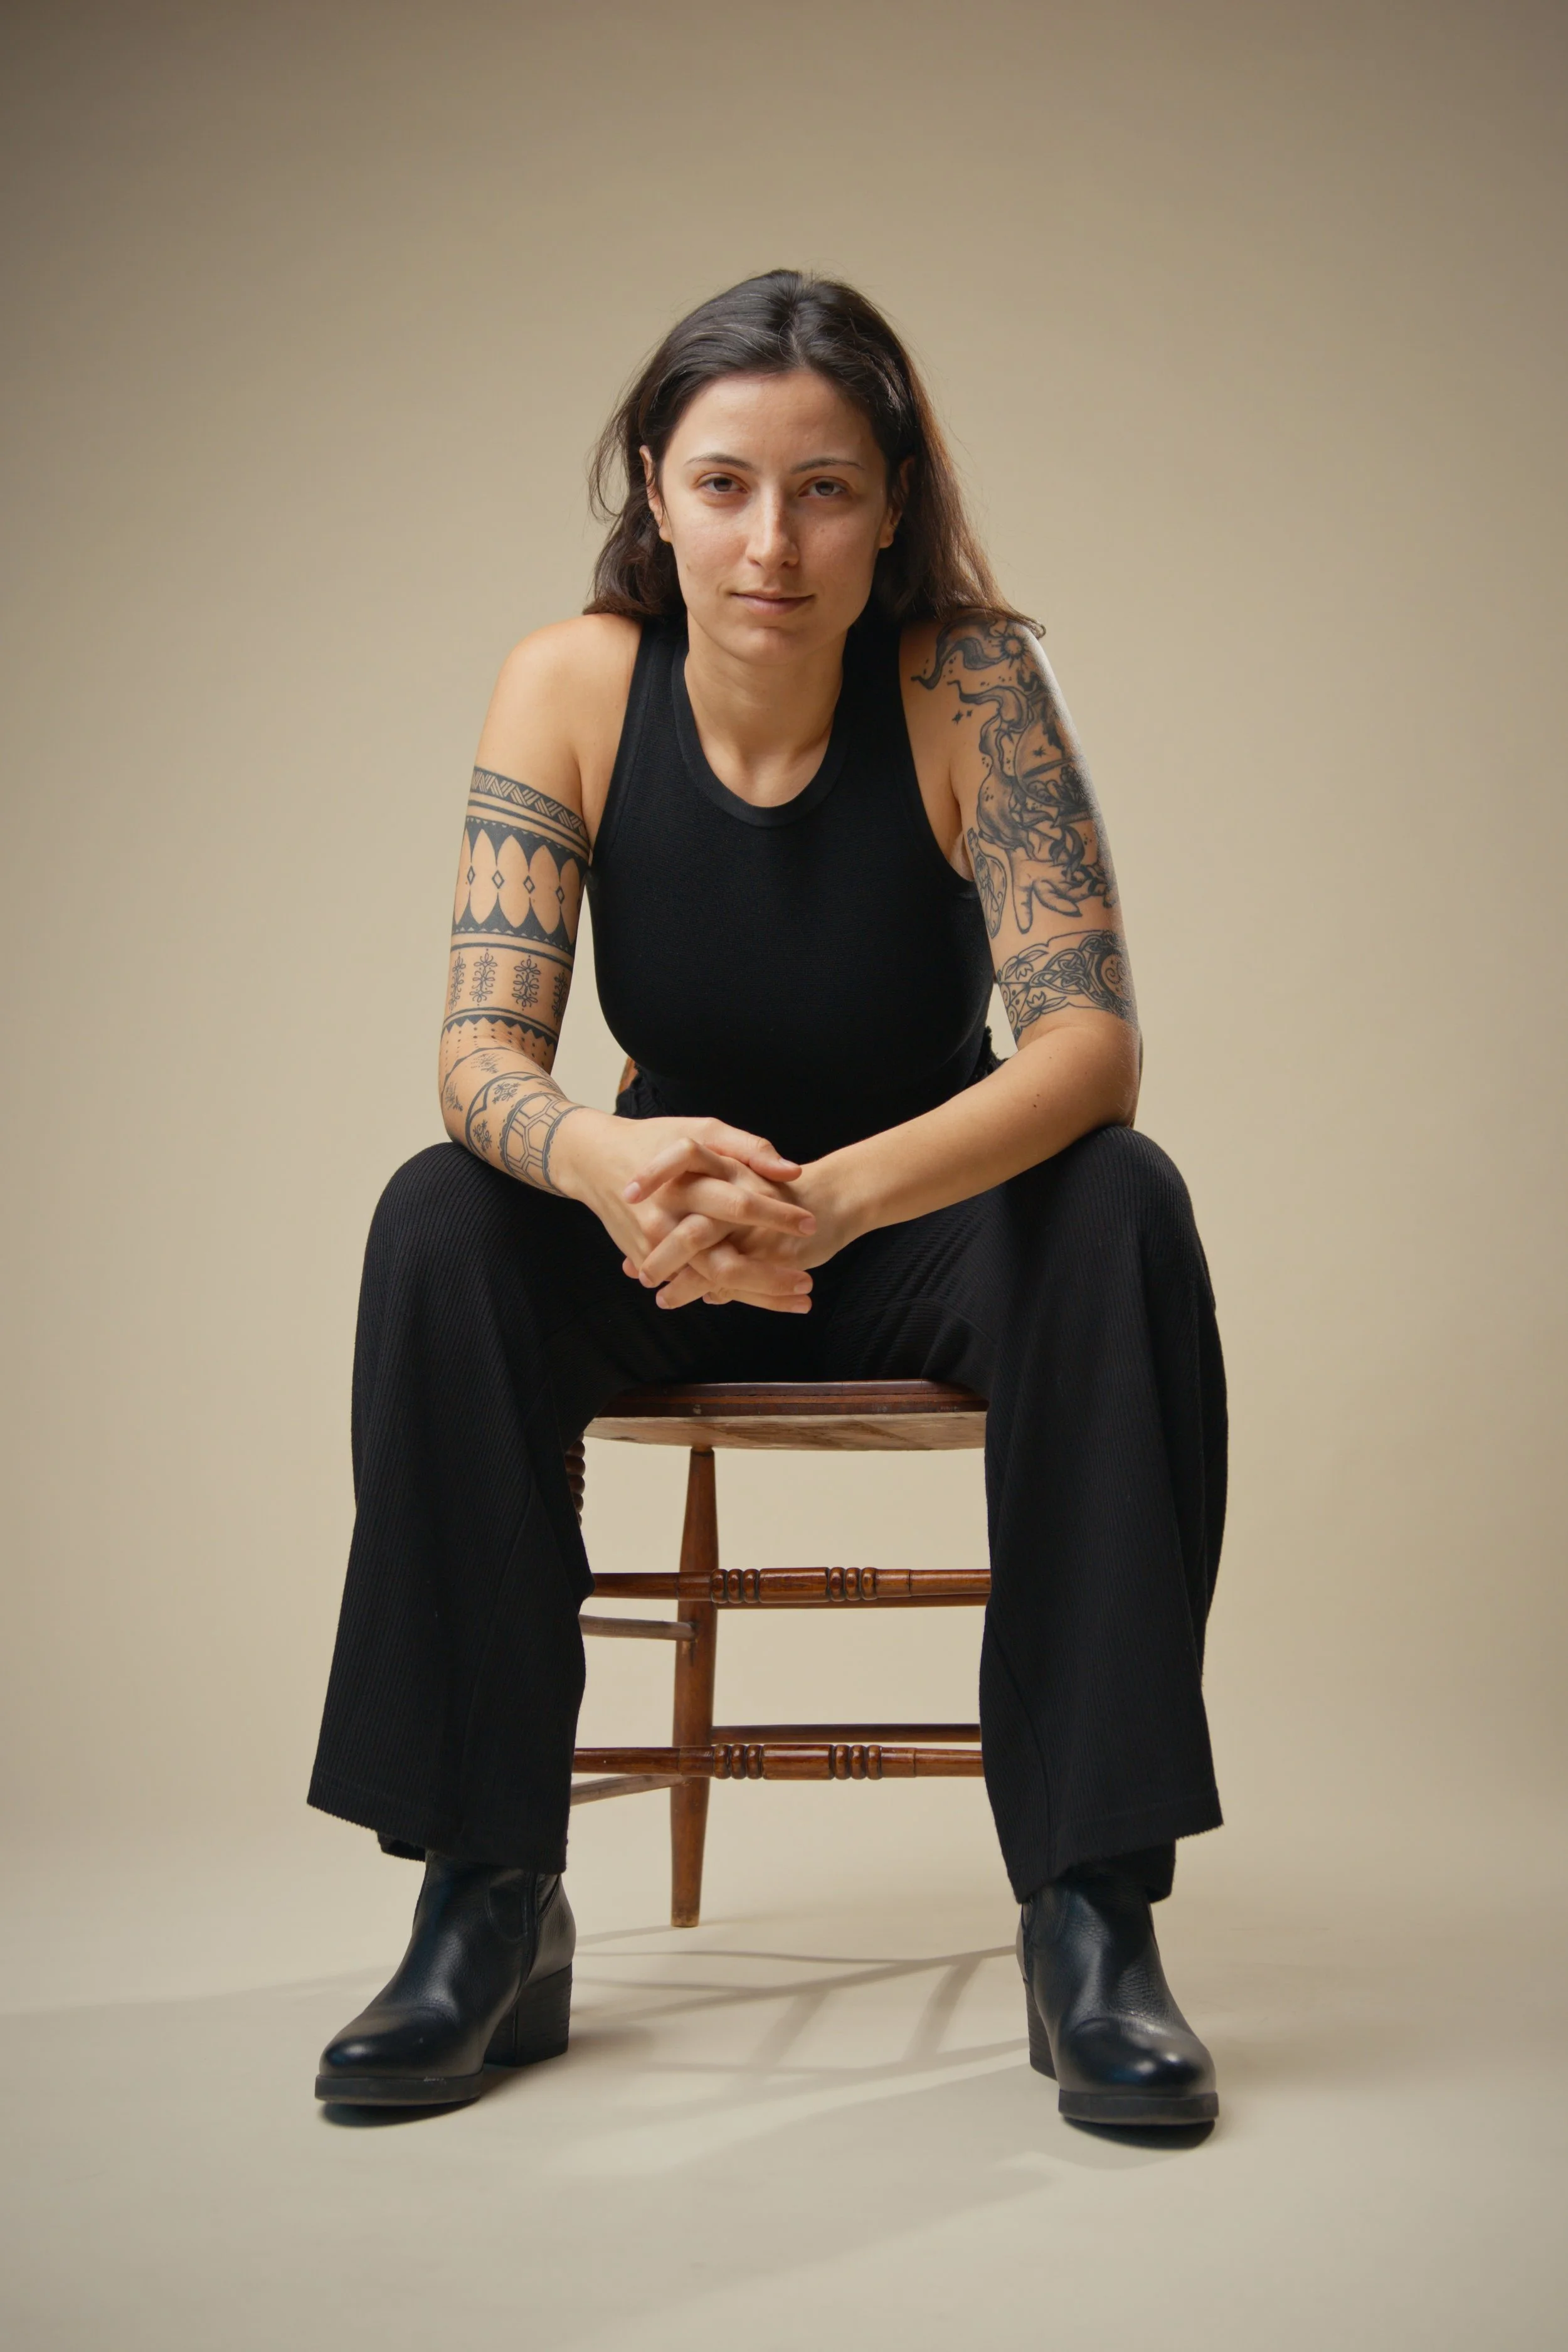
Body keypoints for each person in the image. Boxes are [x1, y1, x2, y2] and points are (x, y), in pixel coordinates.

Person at [309, 270, 1227, 2128]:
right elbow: (481, 1047)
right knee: (438, 1218)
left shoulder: (969, 679)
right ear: (652, 486)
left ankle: (1091, 1911)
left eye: (823, 488)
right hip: (658, 1212)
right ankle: (488, 1895)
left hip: (917, 1213)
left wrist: (839, 1199)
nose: (771, 539)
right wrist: (609, 1156)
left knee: (1119, 1200)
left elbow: (1085, 1047)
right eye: (725, 482)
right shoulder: (568, 679)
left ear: (891, 501)